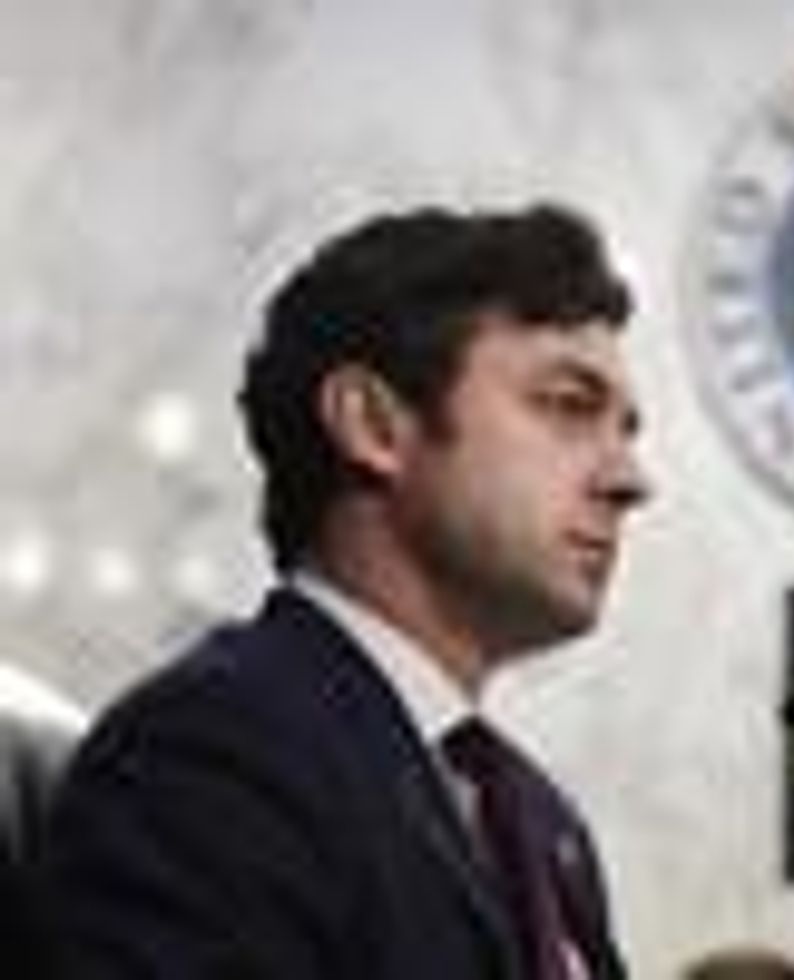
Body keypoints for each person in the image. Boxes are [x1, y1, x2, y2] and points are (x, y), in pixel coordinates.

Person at [37, 202, 649, 979]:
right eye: (569, 407)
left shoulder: (540, 822)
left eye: (629, 431)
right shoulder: (213, 759)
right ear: (373, 425)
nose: (630, 480)